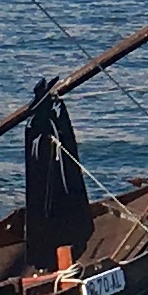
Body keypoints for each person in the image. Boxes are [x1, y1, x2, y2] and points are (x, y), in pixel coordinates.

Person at [20, 75, 88, 271]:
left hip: (48, 142)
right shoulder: (40, 131)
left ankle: (59, 248)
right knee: (48, 200)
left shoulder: (42, 127)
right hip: (47, 173)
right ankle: (55, 254)